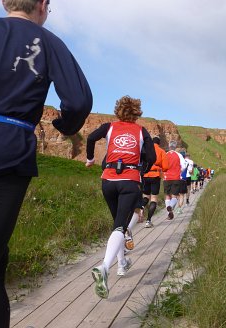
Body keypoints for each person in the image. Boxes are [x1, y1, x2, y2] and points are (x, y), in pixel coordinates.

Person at [0, 1, 92, 326]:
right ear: (43, 6)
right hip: (6, 161)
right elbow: (80, 99)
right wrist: (65, 127)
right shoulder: (48, 43)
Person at [85, 96, 155, 299]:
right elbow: (150, 157)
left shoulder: (109, 127)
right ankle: (105, 267)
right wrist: (142, 171)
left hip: (108, 181)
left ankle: (122, 264)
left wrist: (90, 159)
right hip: (129, 181)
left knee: (118, 225)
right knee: (119, 226)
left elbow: (90, 138)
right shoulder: (142, 131)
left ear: (118, 111)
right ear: (137, 113)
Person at [142, 136, 169, 228]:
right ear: (159, 143)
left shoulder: (145, 149)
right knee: (154, 199)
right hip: (155, 176)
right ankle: (148, 221)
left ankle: (140, 208)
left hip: (145, 175)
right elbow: (165, 167)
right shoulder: (161, 151)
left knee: (145, 196)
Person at [163, 140, 186, 220]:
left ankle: (169, 212)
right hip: (176, 177)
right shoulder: (179, 155)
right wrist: (179, 171)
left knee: (167, 196)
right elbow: (183, 166)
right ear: (175, 147)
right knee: (174, 196)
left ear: (169, 146)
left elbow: (162, 166)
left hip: (167, 177)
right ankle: (170, 207)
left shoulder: (165, 155)